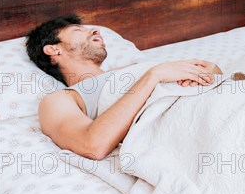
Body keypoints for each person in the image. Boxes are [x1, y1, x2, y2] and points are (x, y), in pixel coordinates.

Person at [26, 14, 222, 161]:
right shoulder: (60, 99)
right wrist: (153, 77)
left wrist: (211, 70)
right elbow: (92, 145)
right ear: (53, 49)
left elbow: (214, 73)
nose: (95, 31)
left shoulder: (135, 68)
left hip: (217, 101)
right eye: (78, 30)